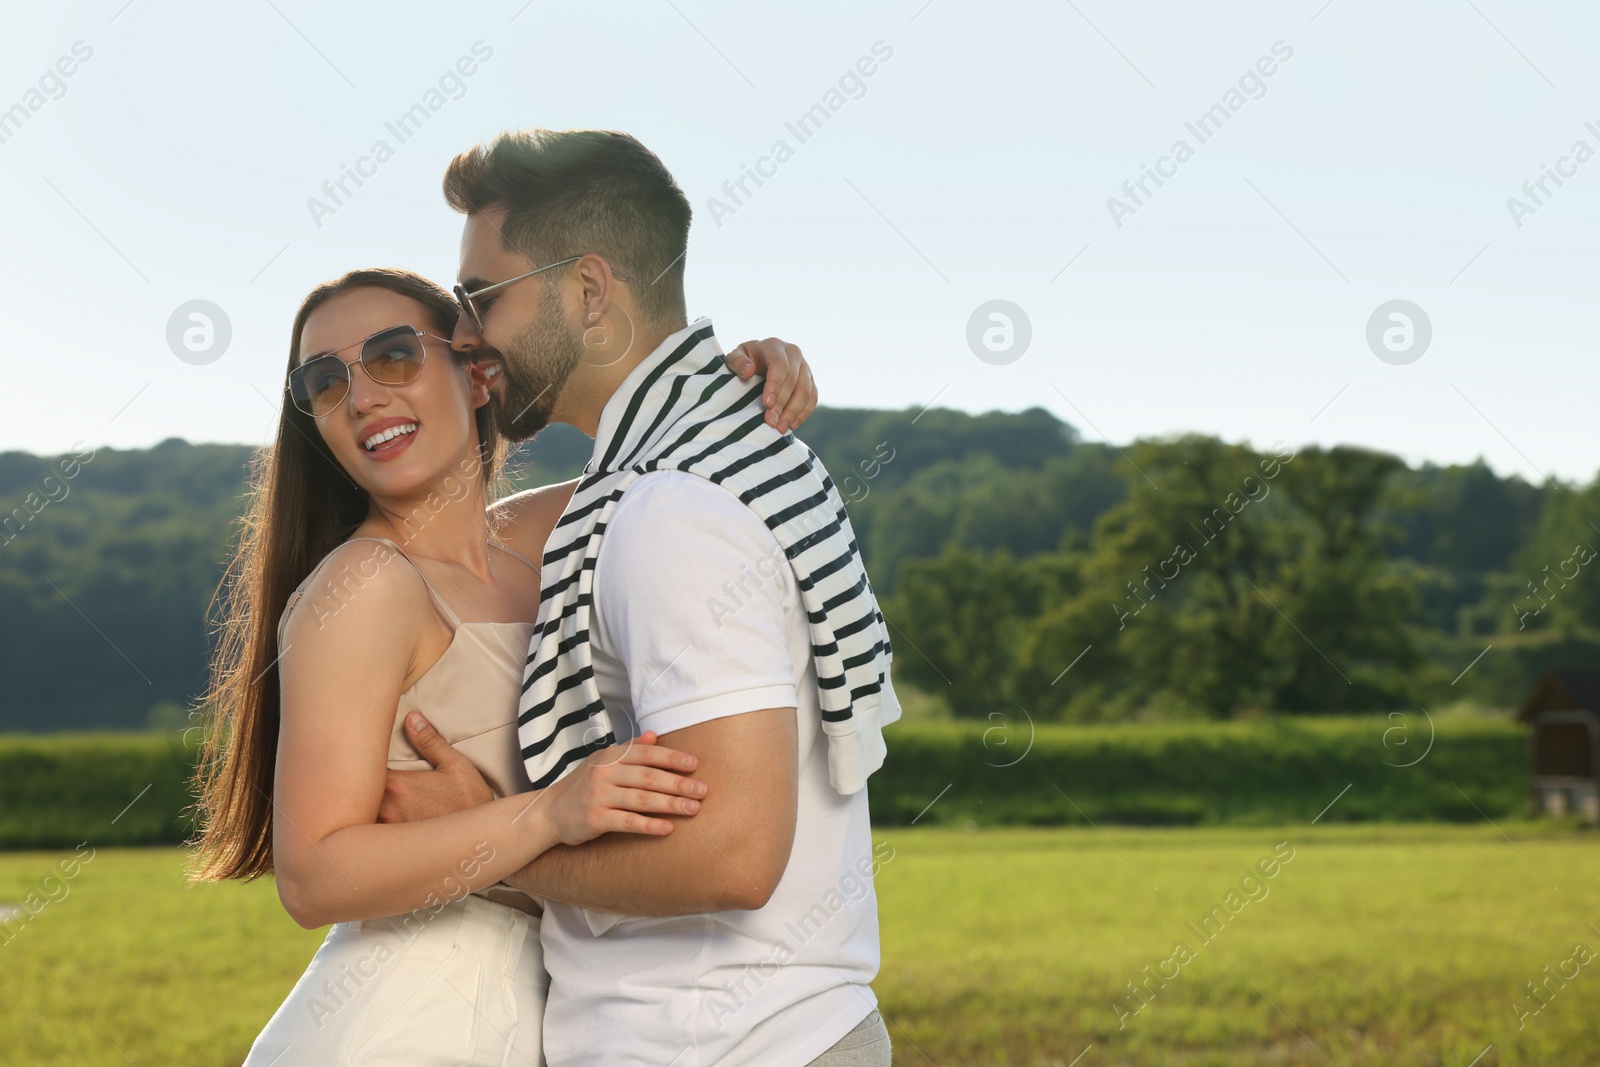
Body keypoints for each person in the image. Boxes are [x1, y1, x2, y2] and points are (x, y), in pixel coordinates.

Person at [187, 264, 818, 1065]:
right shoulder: (365, 582)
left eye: (392, 356)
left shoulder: (541, 535)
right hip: (402, 1021)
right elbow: (314, 876)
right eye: (323, 383)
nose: (363, 396)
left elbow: (693, 462)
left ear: (479, 374)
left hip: (536, 1010)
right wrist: (544, 815)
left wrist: (756, 376)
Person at [384, 129, 900, 1066]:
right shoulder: (703, 461)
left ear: (588, 291)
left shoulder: (670, 514)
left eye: (482, 297)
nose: (463, 333)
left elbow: (734, 855)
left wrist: (481, 840)